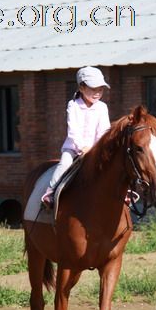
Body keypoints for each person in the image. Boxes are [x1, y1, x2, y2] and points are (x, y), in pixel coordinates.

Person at [41, 66, 111, 208]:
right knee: (64, 163)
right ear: (81, 88)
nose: (97, 93)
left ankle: (126, 193)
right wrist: (82, 147)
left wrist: (97, 149)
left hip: (95, 149)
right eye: (93, 89)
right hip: (73, 148)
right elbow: (73, 130)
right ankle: (50, 192)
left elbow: (104, 130)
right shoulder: (73, 105)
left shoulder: (102, 107)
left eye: (100, 89)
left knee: (113, 164)